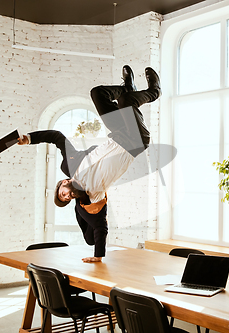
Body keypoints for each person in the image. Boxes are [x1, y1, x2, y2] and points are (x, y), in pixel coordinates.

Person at [18, 65, 161, 262]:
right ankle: (154, 91)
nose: (67, 196)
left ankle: (126, 87)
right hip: (135, 142)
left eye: (62, 193)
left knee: (98, 94)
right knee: (127, 103)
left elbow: (56, 137)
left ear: (63, 183)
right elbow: (99, 228)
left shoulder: (72, 163)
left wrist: (28, 138)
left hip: (118, 134)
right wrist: (98, 256)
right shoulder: (93, 196)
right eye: (67, 199)